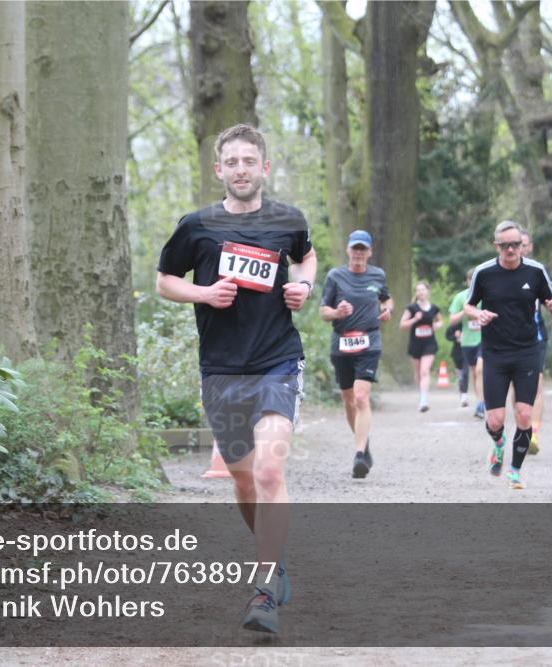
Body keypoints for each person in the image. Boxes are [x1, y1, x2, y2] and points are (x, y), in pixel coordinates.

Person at [156, 124, 317, 634]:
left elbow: (306, 254)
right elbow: (163, 281)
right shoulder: (197, 226)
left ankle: (264, 588)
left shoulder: (288, 219)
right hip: (221, 369)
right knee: (245, 480)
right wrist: (204, 295)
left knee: (270, 473)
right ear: (219, 170)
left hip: (277, 361)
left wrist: (305, 285)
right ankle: (273, 557)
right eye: (234, 162)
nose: (242, 169)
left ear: (264, 168)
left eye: (251, 161)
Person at [464, 221, 552, 489]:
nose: (510, 249)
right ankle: (498, 444)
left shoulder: (536, 271)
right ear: (497, 246)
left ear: (522, 246)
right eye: (505, 245)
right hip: (495, 353)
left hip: (526, 352)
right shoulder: (484, 273)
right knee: (495, 419)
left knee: (522, 414)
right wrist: (478, 313)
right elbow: (468, 306)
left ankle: (515, 471)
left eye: (515, 245)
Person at [319, 230, 394, 479]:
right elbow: (323, 311)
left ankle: (359, 455)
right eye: (355, 248)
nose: (359, 253)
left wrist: (386, 310)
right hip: (342, 342)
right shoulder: (335, 276)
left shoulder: (378, 274)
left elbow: (387, 299)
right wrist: (337, 312)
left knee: (362, 398)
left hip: (369, 341)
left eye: (363, 249)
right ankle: (364, 444)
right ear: (348, 250)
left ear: (370, 252)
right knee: (349, 400)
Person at [520, 228, 547, 455]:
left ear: (530, 246)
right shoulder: (497, 271)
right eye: (517, 243)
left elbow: (551, 299)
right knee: (517, 389)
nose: (521, 248)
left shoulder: (538, 271)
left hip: (536, 337)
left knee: (537, 384)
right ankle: (523, 428)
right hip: (509, 339)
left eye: (525, 244)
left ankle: (534, 433)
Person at [399, 282, 443, 412]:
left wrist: (437, 325)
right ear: (416, 293)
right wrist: (414, 319)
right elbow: (402, 325)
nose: (421, 292)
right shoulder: (411, 308)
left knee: (424, 371)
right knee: (418, 373)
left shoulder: (434, 308)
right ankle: (421, 396)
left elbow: (440, 320)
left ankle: (424, 401)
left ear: (427, 291)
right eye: (418, 290)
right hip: (415, 344)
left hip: (429, 344)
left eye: (423, 290)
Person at [448, 268, 484, 418]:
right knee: (475, 373)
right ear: (467, 281)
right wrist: (465, 311)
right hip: (468, 342)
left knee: (480, 370)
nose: (473, 283)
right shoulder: (460, 297)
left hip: (486, 339)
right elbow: (451, 320)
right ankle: (481, 401)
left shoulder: (487, 295)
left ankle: (481, 405)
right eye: (471, 280)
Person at [446, 320, 468, 407]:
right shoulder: (455, 324)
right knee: (461, 375)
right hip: (457, 352)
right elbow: (447, 335)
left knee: (465, 373)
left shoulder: (470, 322)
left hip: (468, 351)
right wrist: (455, 336)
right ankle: (462, 394)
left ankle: (464, 396)